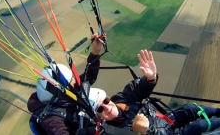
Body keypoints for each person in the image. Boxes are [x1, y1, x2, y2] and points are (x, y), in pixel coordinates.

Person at [87, 49, 220, 135]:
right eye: (99, 109)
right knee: (197, 126)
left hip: (166, 121)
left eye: (105, 101)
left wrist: (150, 78)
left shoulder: (122, 99)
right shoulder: (111, 132)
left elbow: (138, 89)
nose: (106, 107)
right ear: (99, 117)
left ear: (109, 98)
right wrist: (137, 133)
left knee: (192, 108)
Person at [27, 33, 105, 135]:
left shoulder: (64, 94)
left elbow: (88, 77)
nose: (74, 81)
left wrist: (95, 52)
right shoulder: (52, 119)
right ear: (59, 91)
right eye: (71, 80)